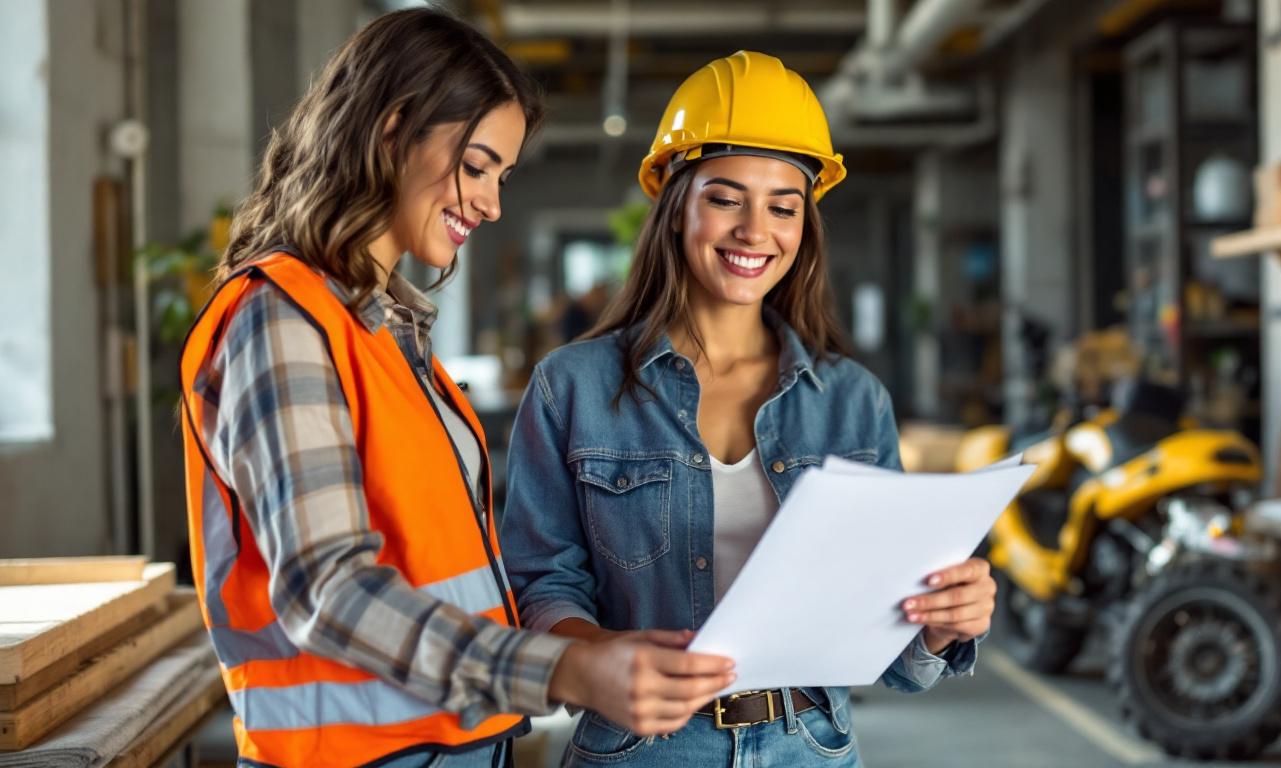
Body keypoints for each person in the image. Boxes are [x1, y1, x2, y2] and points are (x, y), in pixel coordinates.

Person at [177, 9, 733, 768]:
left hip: (449, 744)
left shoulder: (385, 330)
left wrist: (586, 648)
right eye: (476, 167)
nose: (492, 203)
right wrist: (563, 669)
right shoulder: (283, 320)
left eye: (500, 177)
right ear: (392, 131)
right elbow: (327, 594)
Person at [502, 51, 996, 767]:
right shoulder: (572, 387)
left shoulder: (853, 401)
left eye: (783, 206)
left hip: (813, 747)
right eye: (725, 198)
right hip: (641, 750)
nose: (754, 230)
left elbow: (893, 656)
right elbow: (541, 584)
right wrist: (604, 659)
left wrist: (943, 625)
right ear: (677, 207)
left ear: (805, 224)